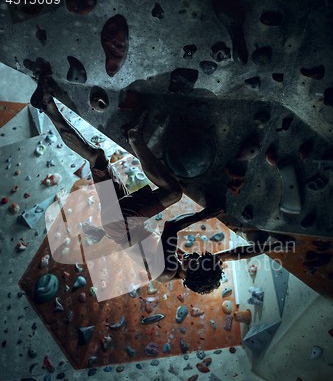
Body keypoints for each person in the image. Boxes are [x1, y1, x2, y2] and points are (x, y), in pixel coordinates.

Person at [30, 71, 290, 295]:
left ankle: (135, 138)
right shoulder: (191, 268)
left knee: (173, 193)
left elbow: (171, 227)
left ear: (188, 276)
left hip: (121, 224)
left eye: (192, 261)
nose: (190, 256)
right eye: (197, 257)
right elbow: (232, 256)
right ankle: (47, 105)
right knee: (97, 158)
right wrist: (272, 246)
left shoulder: (166, 272)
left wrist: (204, 214)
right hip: (121, 223)